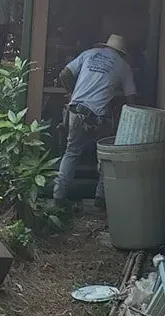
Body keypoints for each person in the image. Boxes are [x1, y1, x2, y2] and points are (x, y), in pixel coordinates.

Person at [54, 34, 137, 209]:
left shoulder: (89, 54)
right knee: (106, 154)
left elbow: (64, 74)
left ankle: (58, 198)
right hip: (97, 116)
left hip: (75, 110)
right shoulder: (123, 66)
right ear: (122, 52)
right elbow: (131, 100)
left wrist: (72, 92)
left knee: (71, 152)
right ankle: (100, 198)